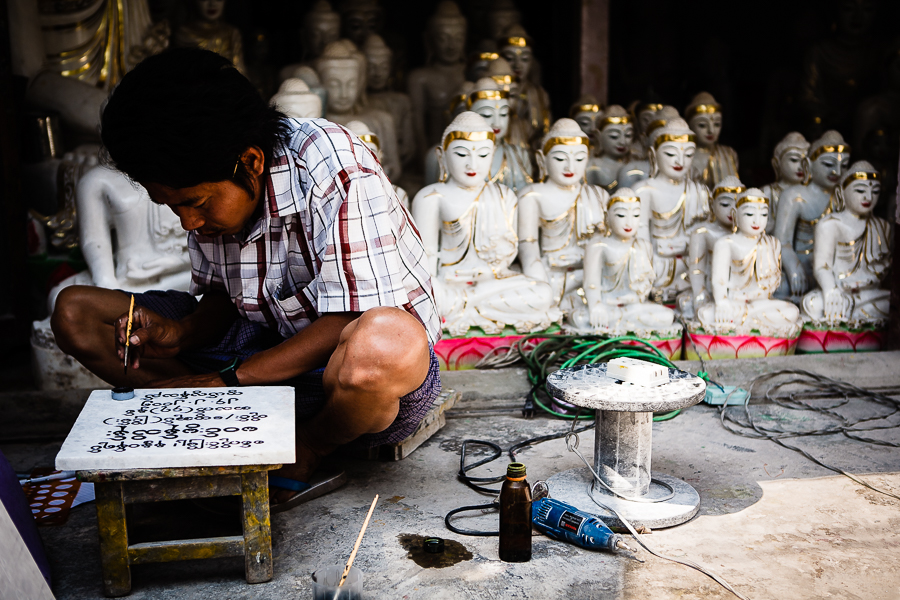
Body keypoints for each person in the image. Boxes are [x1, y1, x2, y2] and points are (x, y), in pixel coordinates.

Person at [50, 48, 441, 512]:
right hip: (251, 351)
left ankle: (309, 447)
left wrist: (229, 379)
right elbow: (222, 296)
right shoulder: (208, 192)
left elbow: (351, 316)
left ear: (251, 162)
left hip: (342, 384)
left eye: (197, 202)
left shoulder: (335, 166)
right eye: (175, 208)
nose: (189, 223)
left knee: (384, 346)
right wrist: (182, 333)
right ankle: (217, 424)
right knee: (76, 312)